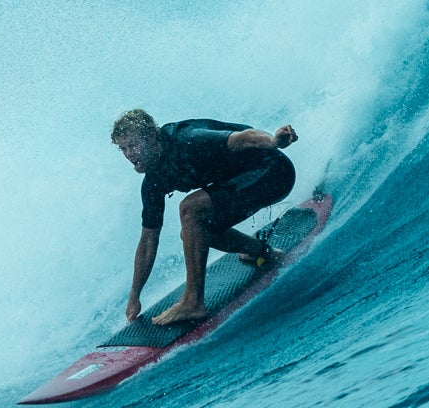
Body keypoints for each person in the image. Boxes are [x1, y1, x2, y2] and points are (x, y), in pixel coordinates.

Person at [111, 108, 298, 325]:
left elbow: (242, 138)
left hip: (274, 172)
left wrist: (274, 141)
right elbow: (148, 240)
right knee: (193, 234)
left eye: (132, 145)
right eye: (123, 148)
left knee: (191, 209)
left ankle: (193, 303)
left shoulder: (186, 140)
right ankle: (262, 252)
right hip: (243, 183)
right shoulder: (153, 181)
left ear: (152, 137)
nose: (129, 154)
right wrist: (135, 295)